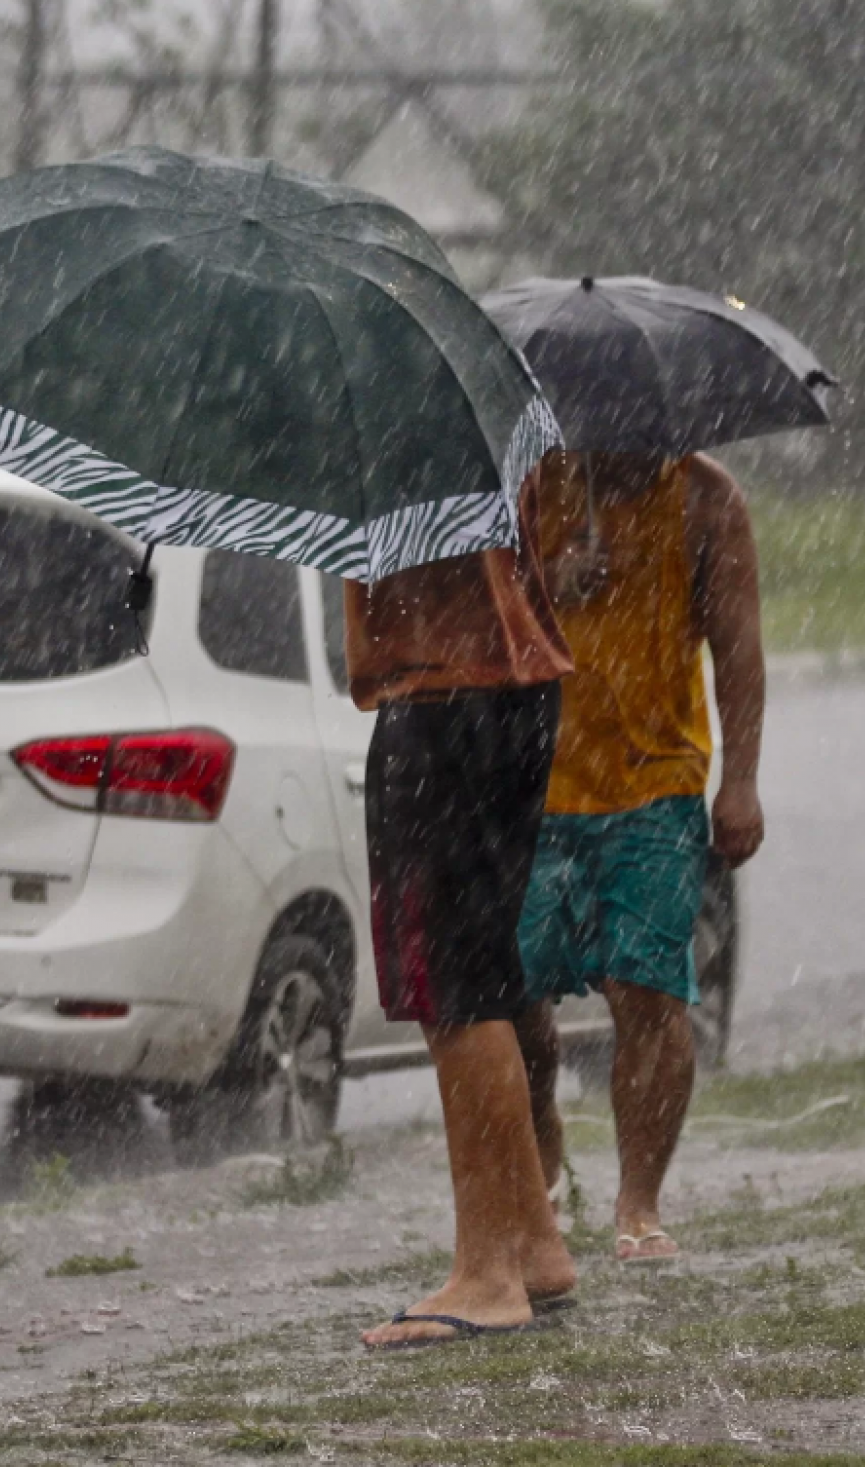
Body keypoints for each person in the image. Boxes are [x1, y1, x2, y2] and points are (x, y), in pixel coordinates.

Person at [347, 461, 580, 1349]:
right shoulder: (475, 410)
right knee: (480, 967)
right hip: (510, 690)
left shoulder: (390, 417)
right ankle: (530, 1241)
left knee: (451, 986)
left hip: (442, 694)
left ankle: (485, 1273)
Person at [514, 449, 766, 1263]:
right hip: (534, 783)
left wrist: (742, 782)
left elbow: (738, 648)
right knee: (513, 995)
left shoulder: (707, 499)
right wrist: (549, 580)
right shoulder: (529, 488)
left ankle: (638, 1202)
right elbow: (474, 616)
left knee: (649, 989)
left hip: (658, 780)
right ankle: (543, 1134)